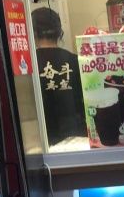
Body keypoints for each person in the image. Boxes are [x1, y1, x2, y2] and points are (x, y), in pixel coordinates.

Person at [32, 7, 87, 146]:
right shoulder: (75, 61)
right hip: (76, 138)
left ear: (32, 32)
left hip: (41, 140)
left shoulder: (27, 66)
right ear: (59, 31)